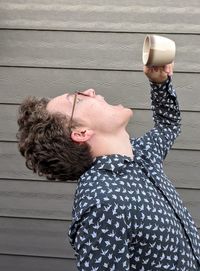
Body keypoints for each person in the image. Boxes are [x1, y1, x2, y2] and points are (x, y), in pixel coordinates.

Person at [17, 64, 200, 270]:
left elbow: (168, 124)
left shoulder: (141, 154)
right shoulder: (101, 202)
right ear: (81, 132)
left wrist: (160, 83)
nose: (90, 91)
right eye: (77, 98)